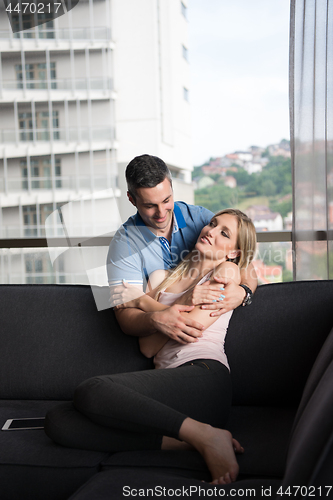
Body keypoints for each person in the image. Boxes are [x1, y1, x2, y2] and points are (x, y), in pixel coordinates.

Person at [45, 208, 257, 484]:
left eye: (224, 233)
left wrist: (143, 301)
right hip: (169, 385)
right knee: (58, 421)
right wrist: (173, 303)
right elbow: (148, 346)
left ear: (234, 253)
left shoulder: (223, 277)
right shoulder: (160, 278)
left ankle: (207, 436)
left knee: (91, 390)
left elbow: (187, 328)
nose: (211, 231)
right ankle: (194, 439)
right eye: (213, 224)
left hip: (205, 378)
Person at [107, 154, 258, 344]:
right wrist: (156, 319)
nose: (161, 213)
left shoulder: (201, 219)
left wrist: (244, 293)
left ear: (171, 188)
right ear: (132, 199)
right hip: (152, 340)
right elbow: (125, 316)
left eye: (166, 200)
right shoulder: (123, 245)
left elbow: (242, 259)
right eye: (150, 205)